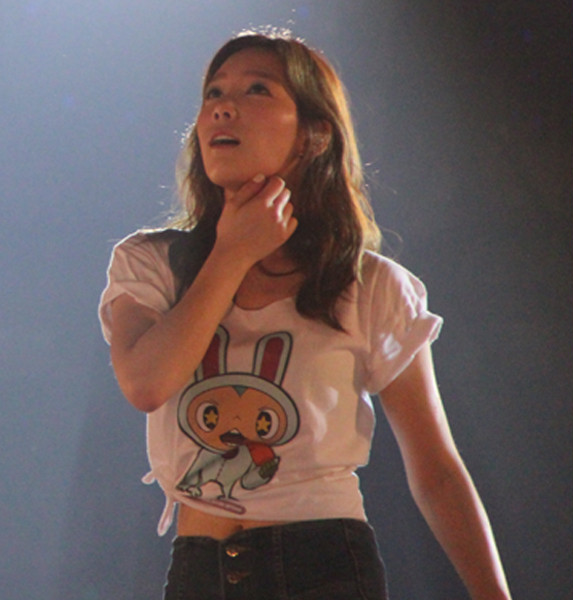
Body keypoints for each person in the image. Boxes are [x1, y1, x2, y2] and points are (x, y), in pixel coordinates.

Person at [100, 30, 512, 600]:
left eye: (256, 90)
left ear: (314, 135)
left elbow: (437, 471)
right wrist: (232, 252)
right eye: (214, 92)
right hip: (199, 570)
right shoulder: (150, 263)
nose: (223, 107)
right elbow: (146, 384)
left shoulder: (369, 285)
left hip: (324, 568)